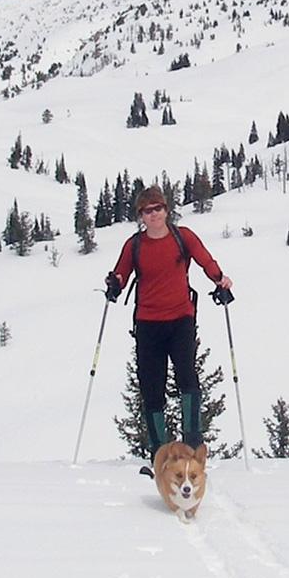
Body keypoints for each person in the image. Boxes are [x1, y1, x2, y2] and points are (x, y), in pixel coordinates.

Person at [106, 186, 232, 460]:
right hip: (148, 324)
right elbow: (121, 273)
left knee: (187, 378)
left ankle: (193, 446)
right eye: (147, 211)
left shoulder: (182, 237)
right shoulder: (135, 245)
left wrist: (220, 279)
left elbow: (204, 260)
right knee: (152, 387)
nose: (153, 215)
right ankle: (159, 454)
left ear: (166, 210)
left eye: (158, 209)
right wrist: (114, 284)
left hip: (180, 319)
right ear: (141, 215)